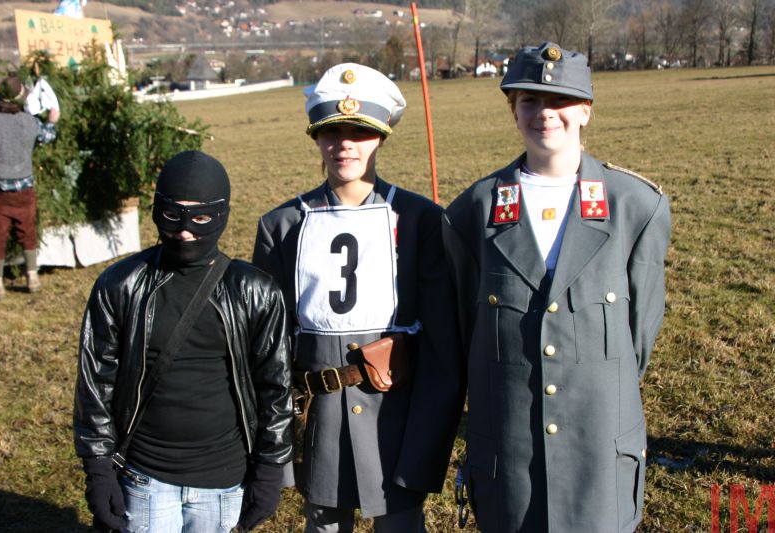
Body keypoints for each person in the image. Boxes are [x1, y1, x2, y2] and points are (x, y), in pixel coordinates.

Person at [442, 42, 671, 532]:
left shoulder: (635, 206)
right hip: (510, 455)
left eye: (561, 100)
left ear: (586, 110)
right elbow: (465, 333)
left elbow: (637, 339)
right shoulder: (473, 211)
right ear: (514, 110)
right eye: (530, 100)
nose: (545, 113)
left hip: (598, 446)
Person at [253, 63, 464, 532]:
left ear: (381, 137)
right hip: (319, 417)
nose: (344, 144)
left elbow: (442, 343)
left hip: (396, 415)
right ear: (316, 137)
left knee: (401, 522)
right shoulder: (281, 226)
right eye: (332, 131)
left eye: (359, 132)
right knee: (324, 521)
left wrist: (430, 433)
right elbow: (269, 346)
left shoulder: (421, 219)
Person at [73, 150, 292, 532]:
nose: (186, 230)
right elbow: (95, 383)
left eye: (201, 217)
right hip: (144, 478)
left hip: (224, 482)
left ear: (221, 214)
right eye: (173, 215)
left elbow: (275, 387)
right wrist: (98, 470)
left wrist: (271, 469)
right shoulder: (120, 285)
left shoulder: (256, 292)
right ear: (157, 211)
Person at [0, 76, 59, 299]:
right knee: (27, 232)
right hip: (25, 190)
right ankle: (33, 278)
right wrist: (52, 120)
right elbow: (48, 136)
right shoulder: (31, 122)